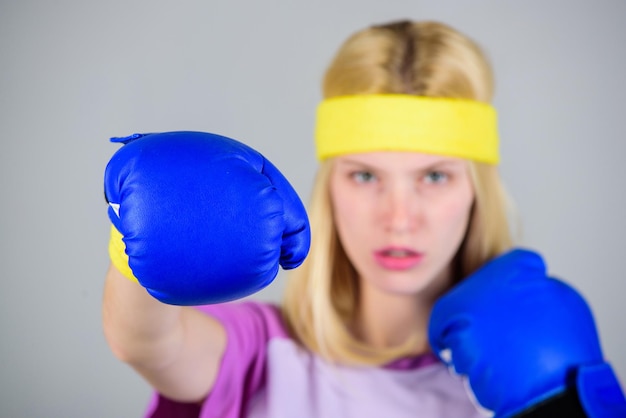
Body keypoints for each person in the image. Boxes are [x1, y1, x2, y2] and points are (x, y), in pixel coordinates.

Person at [102, 20, 626, 417]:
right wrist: (146, 233)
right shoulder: (263, 351)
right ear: (328, 188)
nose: (399, 218)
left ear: (476, 192)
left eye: (435, 177)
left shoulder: (541, 361)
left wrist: (565, 408)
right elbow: (144, 342)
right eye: (366, 177)